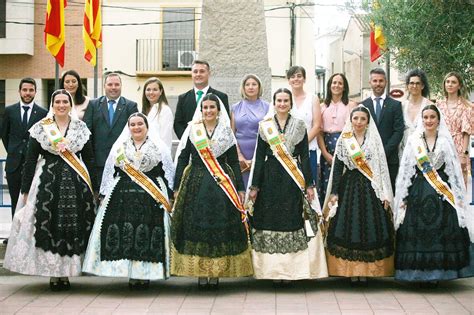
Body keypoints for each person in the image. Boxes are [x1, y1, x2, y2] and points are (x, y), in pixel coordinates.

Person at [3, 89, 96, 291]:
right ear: (52, 105)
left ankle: (68, 273)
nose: (61, 105)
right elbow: (30, 160)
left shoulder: (81, 127)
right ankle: (54, 274)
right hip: (46, 181)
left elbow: (89, 157)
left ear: (70, 104)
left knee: (71, 227)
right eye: (58, 102)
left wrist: (94, 188)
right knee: (48, 223)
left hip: (75, 182)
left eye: (65, 101)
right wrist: (26, 190)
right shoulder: (41, 128)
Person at [83, 113, 175, 290]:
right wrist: (103, 194)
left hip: (152, 194)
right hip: (122, 194)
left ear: (147, 126)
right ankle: (131, 275)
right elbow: (111, 171)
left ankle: (146, 274)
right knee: (127, 233)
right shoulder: (120, 148)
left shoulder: (158, 147)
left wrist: (170, 194)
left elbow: (168, 171)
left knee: (148, 232)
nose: (137, 127)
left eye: (140, 124)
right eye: (133, 124)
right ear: (128, 127)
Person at [172, 93, 253, 289]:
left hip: (221, 185)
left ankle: (216, 274)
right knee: (197, 225)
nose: (208, 111)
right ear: (201, 110)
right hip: (196, 182)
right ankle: (200, 273)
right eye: (205, 107)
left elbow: (234, 161)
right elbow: (183, 158)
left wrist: (240, 188)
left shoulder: (226, 131)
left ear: (218, 111)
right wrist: (176, 187)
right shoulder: (193, 130)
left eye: (212, 107)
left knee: (219, 226)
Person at [248, 88, 327, 282]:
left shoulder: (300, 125)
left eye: (285, 101)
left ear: (290, 103)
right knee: (269, 219)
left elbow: (305, 158)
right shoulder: (264, 126)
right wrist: (255, 186)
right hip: (269, 178)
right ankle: (271, 272)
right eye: (279, 101)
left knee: (291, 219)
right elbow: (258, 157)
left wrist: (309, 184)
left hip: (292, 181)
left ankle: (290, 272)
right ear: (274, 103)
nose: (282, 104)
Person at [394, 104, 474, 283]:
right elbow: (407, 170)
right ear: (422, 120)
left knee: (440, 228)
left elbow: (453, 170)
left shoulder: (445, 142)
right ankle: (418, 273)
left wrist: (458, 197)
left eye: (432, 117)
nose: (429, 120)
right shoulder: (414, 141)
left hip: (441, 192)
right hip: (418, 190)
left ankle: (438, 274)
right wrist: (404, 197)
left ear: (438, 120)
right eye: (426, 117)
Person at [323, 105, 394, 284]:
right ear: (351, 120)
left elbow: (381, 168)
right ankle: (351, 271)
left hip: (371, 187)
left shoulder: (374, 141)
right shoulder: (344, 139)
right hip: (350, 186)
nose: (359, 122)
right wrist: (334, 192)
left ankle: (367, 272)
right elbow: (338, 167)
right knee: (350, 226)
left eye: (363, 119)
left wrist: (384, 192)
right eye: (356, 119)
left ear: (368, 121)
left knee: (370, 226)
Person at [0, 78, 47, 239]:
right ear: (20, 91)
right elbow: (4, 135)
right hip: (13, 164)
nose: (27, 93)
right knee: (15, 199)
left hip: (33, 165)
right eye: (25, 90)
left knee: (32, 200)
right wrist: (14, 151)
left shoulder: (42, 113)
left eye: (31, 90)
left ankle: (30, 235)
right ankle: (14, 235)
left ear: (35, 91)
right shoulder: (9, 111)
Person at [84, 72, 138, 187]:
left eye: (116, 84)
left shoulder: (130, 106)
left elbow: (135, 134)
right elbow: (86, 133)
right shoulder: (93, 105)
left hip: (123, 163)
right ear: (104, 86)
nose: (113, 87)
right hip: (98, 164)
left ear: (121, 86)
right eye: (110, 84)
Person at [361, 68, 404, 191]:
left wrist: (384, 152)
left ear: (386, 82)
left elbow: (398, 131)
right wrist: (371, 152)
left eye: (381, 81)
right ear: (370, 83)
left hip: (389, 159)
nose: (378, 84)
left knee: (389, 196)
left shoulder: (395, 105)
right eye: (375, 81)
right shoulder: (363, 105)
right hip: (368, 159)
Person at [317, 73, 357, 203]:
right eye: (334, 83)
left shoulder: (352, 105)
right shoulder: (322, 107)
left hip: (347, 150)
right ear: (329, 86)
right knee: (327, 186)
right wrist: (325, 153)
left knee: (344, 185)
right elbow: (319, 133)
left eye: (340, 83)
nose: (337, 85)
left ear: (344, 87)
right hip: (327, 150)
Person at [230, 74, 270, 188]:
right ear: (243, 88)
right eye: (247, 84)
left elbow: (270, 135)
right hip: (240, 155)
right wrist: (239, 156)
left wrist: (257, 159)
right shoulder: (235, 107)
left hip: (260, 153)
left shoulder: (267, 107)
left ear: (259, 87)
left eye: (254, 84)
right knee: (241, 188)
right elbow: (232, 134)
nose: (251, 87)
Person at [173, 60, 229, 139]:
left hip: (214, 145)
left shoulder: (221, 97)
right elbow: (178, 124)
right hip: (189, 147)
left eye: (202, 71)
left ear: (209, 73)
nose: (198, 74)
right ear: (191, 74)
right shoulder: (183, 98)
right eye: (195, 71)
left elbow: (224, 122)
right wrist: (189, 141)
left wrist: (213, 141)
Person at [436, 72, 472, 186]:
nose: (450, 84)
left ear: (459, 86)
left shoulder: (466, 106)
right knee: (442, 183)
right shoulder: (439, 104)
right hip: (441, 146)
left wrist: (464, 154)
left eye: (453, 82)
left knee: (459, 185)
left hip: (459, 145)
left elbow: (466, 132)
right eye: (447, 82)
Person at [288, 66, 321, 186]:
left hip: (308, 150)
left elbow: (317, 125)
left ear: (304, 79)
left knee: (309, 188)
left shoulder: (313, 98)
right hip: (288, 152)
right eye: (292, 77)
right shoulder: (284, 98)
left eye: (299, 76)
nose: (296, 79)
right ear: (288, 80)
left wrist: (301, 145)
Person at [399, 69, 431, 158]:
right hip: (404, 154)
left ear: (422, 86)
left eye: (417, 83)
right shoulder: (402, 106)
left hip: (424, 154)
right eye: (411, 83)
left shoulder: (429, 106)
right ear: (407, 86)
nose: (414, 86)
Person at [141, 77, 174, 149]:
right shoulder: (144, 110)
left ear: (161, 91)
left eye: (155, 89)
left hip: (159, 154)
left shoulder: (165, 110)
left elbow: (165, 138)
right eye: (148, 89)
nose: (151, 92)